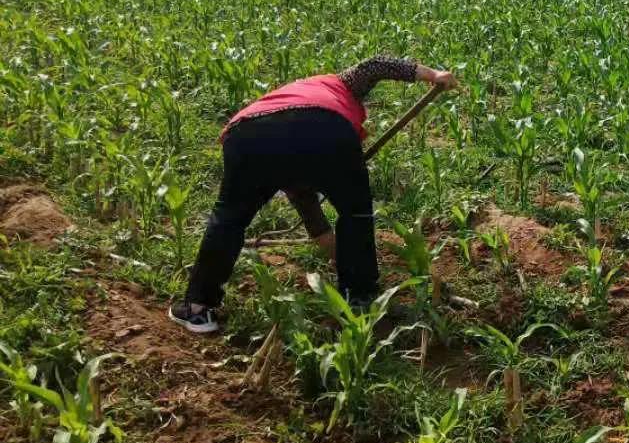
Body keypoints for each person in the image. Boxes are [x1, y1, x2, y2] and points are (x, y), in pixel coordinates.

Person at [169, 57, 459, 333]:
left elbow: (314, 222)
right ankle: (358, 300)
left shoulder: (285, 105)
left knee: (229, 219)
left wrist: (339, 257)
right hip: (326, 128)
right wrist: (433, 75)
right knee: (355, 212)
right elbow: (376, 65)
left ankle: (198, 308)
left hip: (247, 135)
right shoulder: (339, 84)